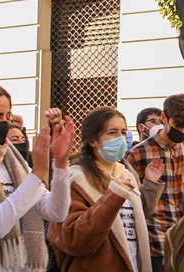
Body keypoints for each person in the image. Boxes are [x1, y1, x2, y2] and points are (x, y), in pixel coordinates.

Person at [0, 80, 75, 272]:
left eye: (7, 117)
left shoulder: (12, 159)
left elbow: (55, 212)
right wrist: (37, 174)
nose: (2, 125)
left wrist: (60, 165)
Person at [49, 107, 164, 272]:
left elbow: (132, 220)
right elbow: (74, 239)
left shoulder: (126, 174)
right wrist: (113, 196)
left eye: (123, 132)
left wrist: (151, 186)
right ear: (93, 140)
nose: (121, 138)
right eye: (112, 132)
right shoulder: (76, 179)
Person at [126, 94, 184, 272]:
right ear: (164, 118)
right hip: (154, 244)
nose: (181, 132)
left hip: (183, 242)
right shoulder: (138, 153)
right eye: (177, 126)